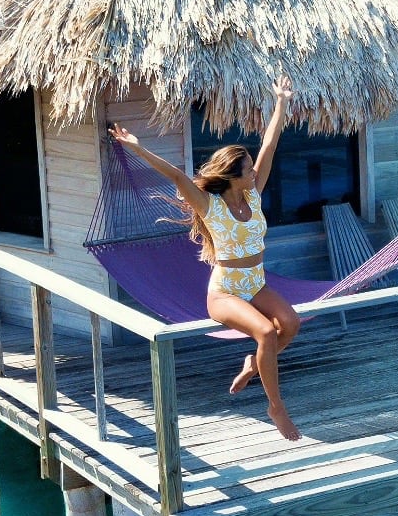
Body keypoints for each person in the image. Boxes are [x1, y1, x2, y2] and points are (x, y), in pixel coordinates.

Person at [109, 76, 303, 441]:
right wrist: (137, 148)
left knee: (290, 324)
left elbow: (271, 144)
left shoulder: (254, 195)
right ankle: (276, 407)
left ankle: (253, 364)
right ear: (233, 177)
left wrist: (281, 102)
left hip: (256, 283)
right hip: (225, 292)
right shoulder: (210, 206)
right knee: (264, 332)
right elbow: (176, 176)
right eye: (247, 170)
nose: (253, 172)